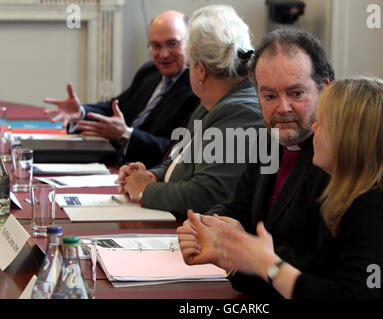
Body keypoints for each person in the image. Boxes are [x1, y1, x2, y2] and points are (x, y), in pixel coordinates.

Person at [181, 77, 383, 298]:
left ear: (351, 140)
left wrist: (267, 265)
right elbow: (311, 277)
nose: (315, 127)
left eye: (324, 122)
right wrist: (234, 259)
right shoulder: (347, 197)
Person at [177, 28, 334, 297]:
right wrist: (209, 226)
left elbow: (321, 265)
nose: (282, 108)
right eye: (269, 96)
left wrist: (238, 249)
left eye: (296, 93)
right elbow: (238, 206)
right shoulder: (267, 141)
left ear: (325, 90)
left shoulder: (337, 157)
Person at [117, 5, 264, 217]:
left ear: (201, 70)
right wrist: (148, 176)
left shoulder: (241, 112)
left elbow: (207, 195)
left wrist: (145, 190)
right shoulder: (211, 103)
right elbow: (177, 161)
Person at [43, 10, 200, 168]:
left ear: (190, 43)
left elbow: (177, 149)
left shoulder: (197, 89)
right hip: (113, 162)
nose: (163, 54)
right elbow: (115, 108)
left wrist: (125, 135)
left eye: (172, 44)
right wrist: (82, 112)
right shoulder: (149, 71)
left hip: (148, 172)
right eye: (156, 46)